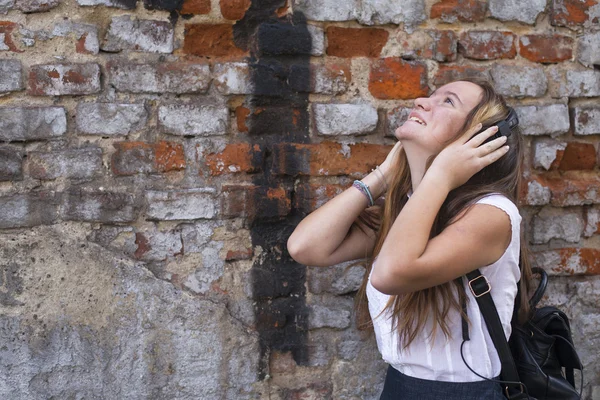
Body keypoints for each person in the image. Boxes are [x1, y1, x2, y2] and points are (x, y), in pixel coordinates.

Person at [287, 79, 533, 399]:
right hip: (399, 385)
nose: (421, 101)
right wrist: (383, 176)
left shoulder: (492, 214)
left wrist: (442, 174)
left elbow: (391, 273)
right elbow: (305, 247)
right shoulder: (403, 211)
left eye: (448, 102)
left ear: (479, 137)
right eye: (431, 95)